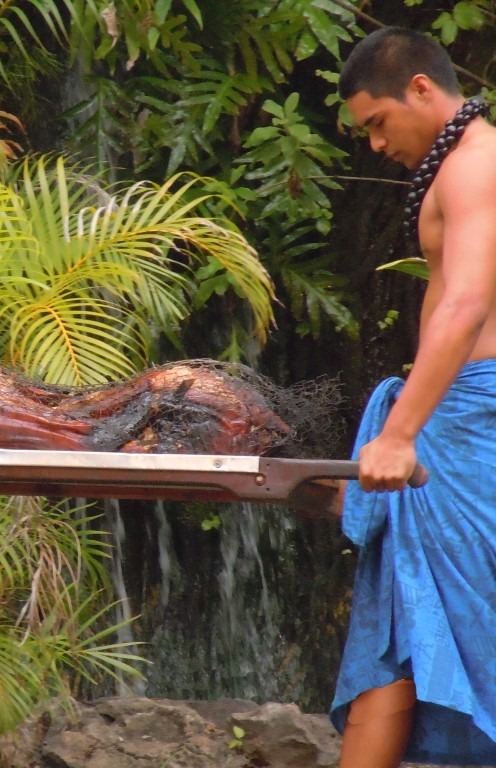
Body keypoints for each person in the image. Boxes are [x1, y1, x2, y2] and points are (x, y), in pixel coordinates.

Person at [329, 26, 496, 768]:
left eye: (376, 122)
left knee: (449, 622)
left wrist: (399, 433)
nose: (374, 143)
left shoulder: (476, 169)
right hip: (455, 424)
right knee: (405, 618)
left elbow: (463, 306)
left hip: (465, 428)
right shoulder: (464, 166)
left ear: (422, 89)